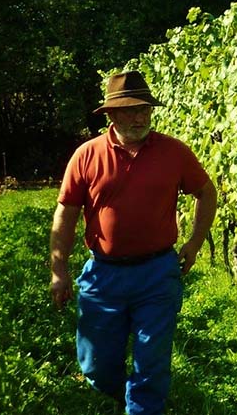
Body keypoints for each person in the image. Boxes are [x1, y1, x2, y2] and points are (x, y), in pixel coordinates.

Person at [49, 70, 217, 415]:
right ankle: (126, 393)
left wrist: (195, 242)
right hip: (103, 275)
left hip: (157, 273)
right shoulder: (86, 155)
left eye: (144, 109)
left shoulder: (174, 152)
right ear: (110, 114)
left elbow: (206, 191)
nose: (139, 117)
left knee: (152, 360)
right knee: (95, 365)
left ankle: (143, 405)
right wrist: (59, 269)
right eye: (129, 110)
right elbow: (65, 214)